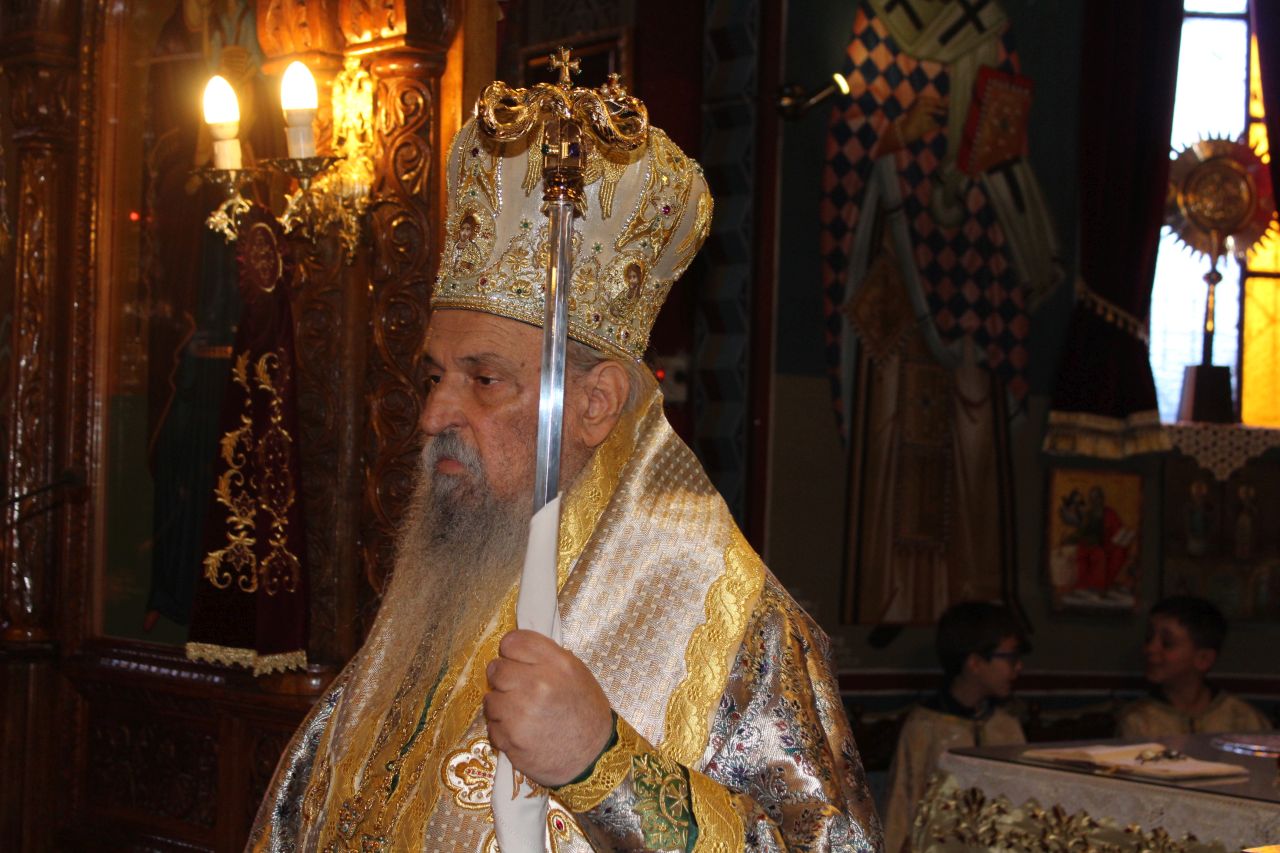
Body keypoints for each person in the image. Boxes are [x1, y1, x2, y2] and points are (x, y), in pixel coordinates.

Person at [247, 80, 883, 852]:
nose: (433, 414)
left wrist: (605, 765)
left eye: (485, 380)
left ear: (595, 402)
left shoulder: (734, 626)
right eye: (433, 376)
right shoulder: (439, 591)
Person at [882, 602, 1028, 852]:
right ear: (975, 663)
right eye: (1010, 657)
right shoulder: (925, 727)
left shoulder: (1006, 725)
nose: (1018, 666)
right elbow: (900, 809)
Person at [1117, 595, 1272, 737]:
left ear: (1203, 659)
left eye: (1167, 643)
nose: (1150, 649)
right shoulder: (1138, 720)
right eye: (1149, 638)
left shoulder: (1242, 719)